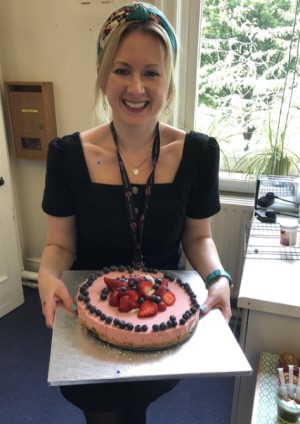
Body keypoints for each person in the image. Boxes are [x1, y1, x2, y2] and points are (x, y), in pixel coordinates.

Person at [38, 2, 232, 423]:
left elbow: (198, 237)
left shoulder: (198, 154)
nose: (136, 88)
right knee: (104, 414)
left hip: (162, 323)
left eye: (151, 72)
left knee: (137, 408)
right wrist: (48, 277)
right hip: (89, 325)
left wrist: (217, 277)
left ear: (169, 79)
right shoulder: (67, 156)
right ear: (102, 73)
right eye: (122, 69)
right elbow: (59, 244)